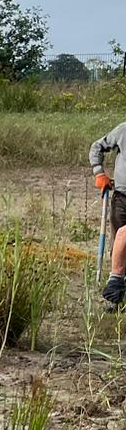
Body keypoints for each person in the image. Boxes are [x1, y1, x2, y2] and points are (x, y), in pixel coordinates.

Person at [88, 120, 126, 306]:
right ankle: (115, 298)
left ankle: (117, 283)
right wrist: (99, 173)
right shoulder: (123, 130)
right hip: (122, 197)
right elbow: (97, 146)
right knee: (118, 242)